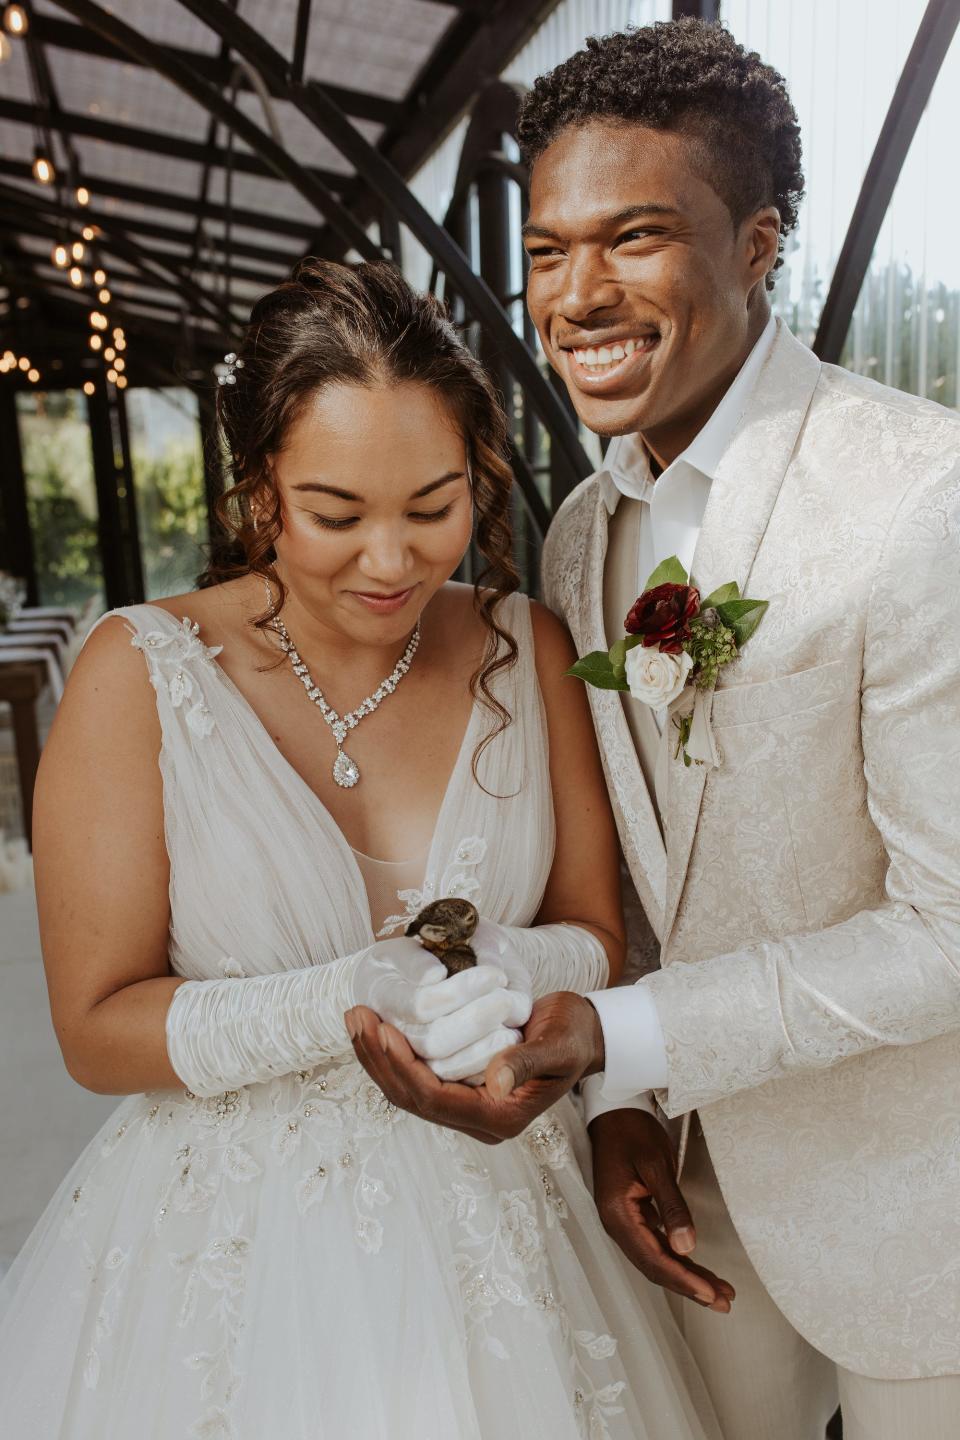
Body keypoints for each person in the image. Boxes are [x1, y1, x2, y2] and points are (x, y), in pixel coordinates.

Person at [347, 19, 960, 1440]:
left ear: (759, 244)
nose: (577, 295)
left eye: (634, 237)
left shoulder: (920, 500)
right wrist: (624, 1108)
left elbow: (951, 926)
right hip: (681, 1192)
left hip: (915, 1207)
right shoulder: (577, 536)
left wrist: (621, 1033)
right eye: (549, 250)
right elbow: (637, 858)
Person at [0, 259, 722, 1440]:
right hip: (225, 1244)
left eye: (431, 509)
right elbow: (95, 1026)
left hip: (511, 1218)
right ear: (257, 495)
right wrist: (352, 998)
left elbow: (598, 934)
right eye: (337, 516)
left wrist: (499, 965)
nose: (390, 563)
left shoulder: (524, 648)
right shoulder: (140, 674)